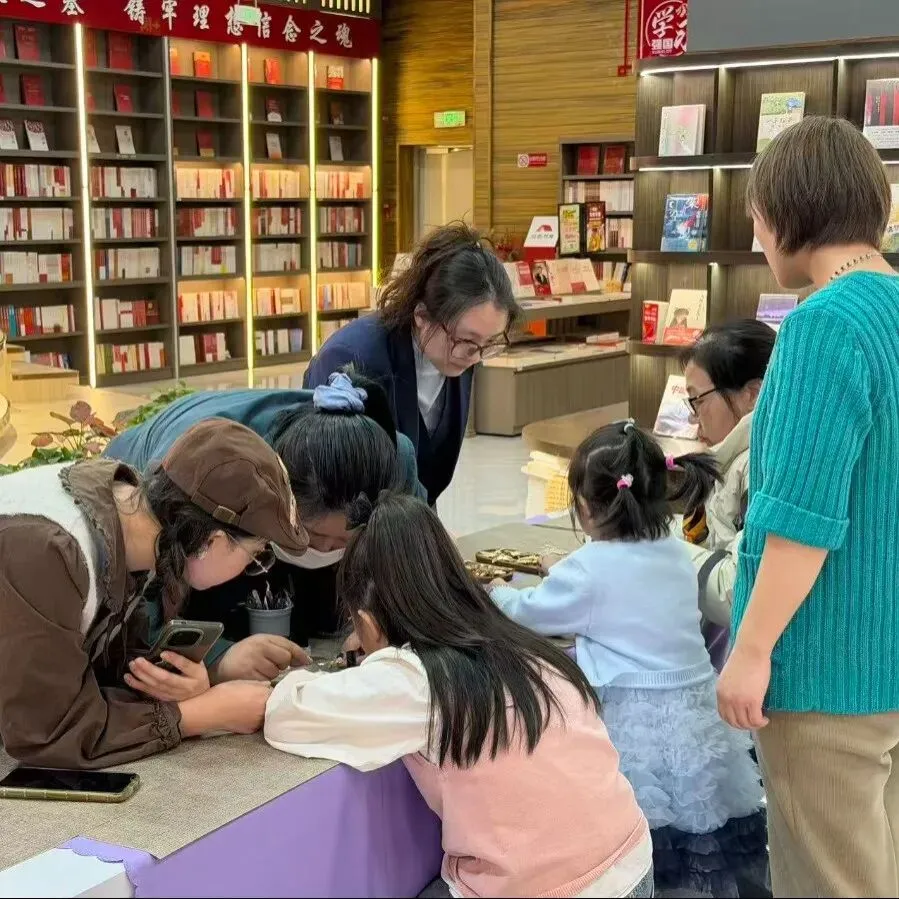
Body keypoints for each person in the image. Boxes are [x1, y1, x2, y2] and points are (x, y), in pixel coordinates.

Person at [265, 493, 653, 899]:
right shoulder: (521, 644)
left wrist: (356, 665)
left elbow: (286, 713)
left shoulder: (414, 678)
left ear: (367, 621)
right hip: (632, 860)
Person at [716, 116, 899, 898]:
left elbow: (797, 517)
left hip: (826, 663)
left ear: (785, 214)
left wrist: (750, 648)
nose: (759, 240)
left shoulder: (822, 325)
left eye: (757, 220)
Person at [492, 421, 768, 898]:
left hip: (635, 720)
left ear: (583, 505)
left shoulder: (589, 569)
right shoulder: (676, 552)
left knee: (637, 837)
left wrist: (496, 593)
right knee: (699, 830)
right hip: (697, 717)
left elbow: (528, 613)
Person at [0, 418, 307, 769]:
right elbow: (48, 731)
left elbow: (89, 671)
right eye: (256, 556)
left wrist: (180, 683)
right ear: (213, 542)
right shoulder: (50, 551)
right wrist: (200, 714)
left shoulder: (130, 524)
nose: (252, 569)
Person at [106, 372, 415, 673]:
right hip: (150, 507)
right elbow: (138, 624)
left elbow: (411, 567)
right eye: (311, 534)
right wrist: (218, 659)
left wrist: (377, 620)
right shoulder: (206, 468)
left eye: (345, 541)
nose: (323, 550)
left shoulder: (392, 462)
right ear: (283, 501)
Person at [303, 223, 519, 504]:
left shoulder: (458, 352)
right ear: (422, 315)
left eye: (489, 343)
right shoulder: (352, 357)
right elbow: (326, 485)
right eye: (467, 340)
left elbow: (429, 475)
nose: (476, 356)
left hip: (409, 516)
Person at [679, 320, 776, 668]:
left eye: (698, 400)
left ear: (752, 394)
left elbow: (736, 591)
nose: (693, 419)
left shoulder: (760, 466)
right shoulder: (734, 458)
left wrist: (651, 547)